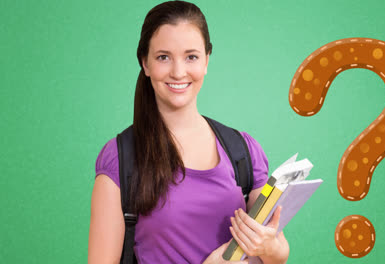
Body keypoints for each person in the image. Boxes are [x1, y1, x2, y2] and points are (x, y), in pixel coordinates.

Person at [88, 1, 289, 263]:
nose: (178, 71)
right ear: (145, 64)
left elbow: (279, 252)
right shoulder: (121, 159)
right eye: (163, 57)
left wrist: (267, 246)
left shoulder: (243, 151)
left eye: (191, 56)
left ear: (207, 60)